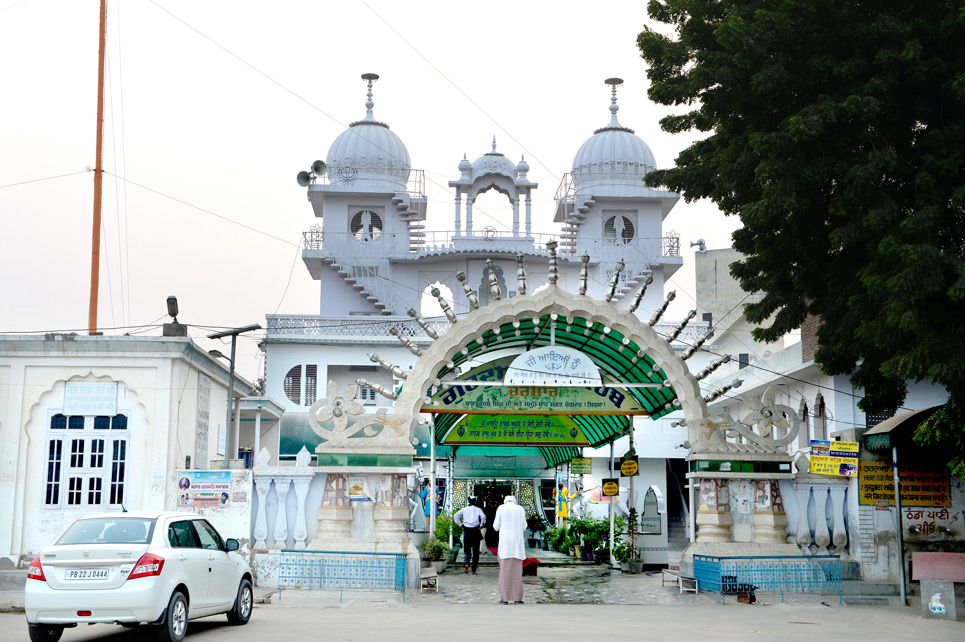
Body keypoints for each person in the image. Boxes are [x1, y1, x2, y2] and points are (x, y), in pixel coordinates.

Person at [493, 495, 527, 603]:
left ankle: (505, 598)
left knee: (504, 572)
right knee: (517, 573)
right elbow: (524, 526)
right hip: (517, 545)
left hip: (505, 545)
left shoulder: (501, 508)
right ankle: (518, 598)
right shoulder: (520, 509)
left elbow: (495, 527)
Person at [453, 497, 486, 574]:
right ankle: (474, 570)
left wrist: (460, 525)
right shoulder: (478, 509)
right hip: (475, 531)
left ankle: (467, 563)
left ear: (468, 502)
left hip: (467, 530)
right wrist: (481, 525)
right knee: (475, 551)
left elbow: (456, 516)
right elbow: (483, 517)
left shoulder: (464, 509)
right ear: (475, 502)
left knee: (467, 550)